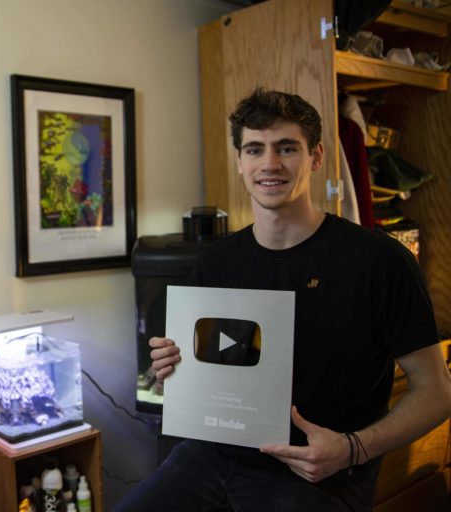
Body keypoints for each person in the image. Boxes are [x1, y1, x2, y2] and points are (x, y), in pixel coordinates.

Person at [112, 89, 451, 512]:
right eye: (255, 149)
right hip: (215, 455)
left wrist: (352, 449)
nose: (269, 164)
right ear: (240, 161)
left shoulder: (379, 261)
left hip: (320, 472)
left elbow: (436, 393)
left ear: (317, 156)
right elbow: (212, 378)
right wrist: (174, 376)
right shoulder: (216, 262)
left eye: (286, 147)